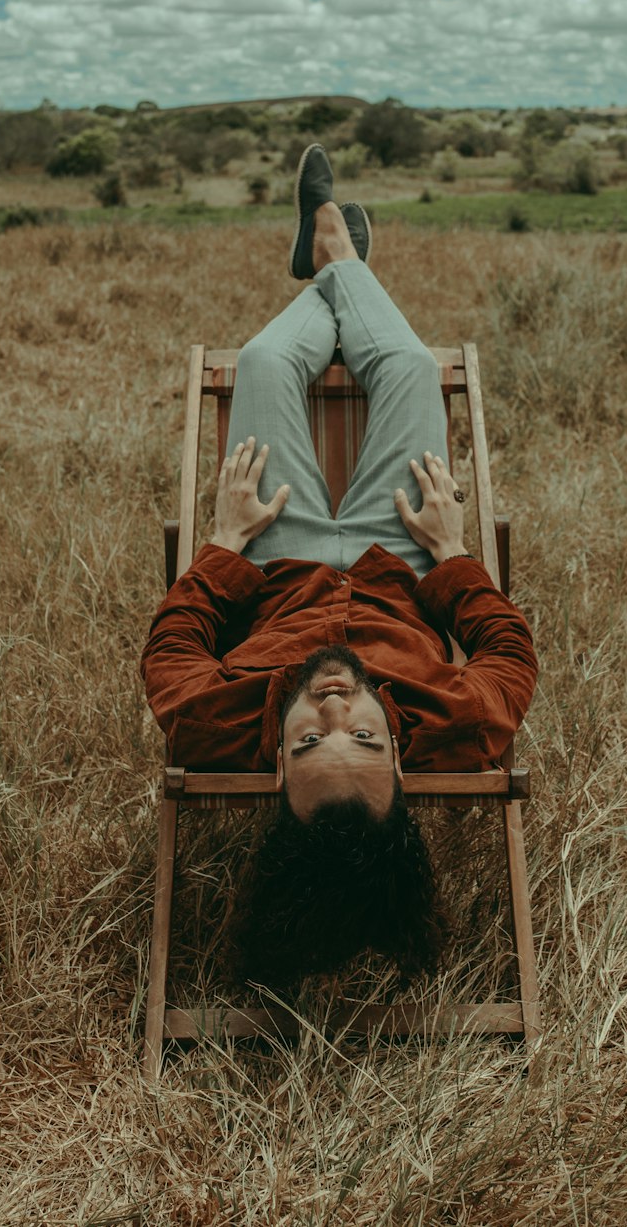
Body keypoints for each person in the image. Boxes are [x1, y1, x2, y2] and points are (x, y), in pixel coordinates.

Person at [142, 145, 538, 988]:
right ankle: (337, 254)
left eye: (306, 739)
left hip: (273, 553)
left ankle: (327, 253)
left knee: (263, 362)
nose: (333, 704)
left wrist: (223, 545)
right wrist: (453, 555)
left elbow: (171, 648)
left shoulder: (215, 725)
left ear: (276, 769)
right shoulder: (458, 727)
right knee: (407, 366)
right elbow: (509, 653)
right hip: (400, 552)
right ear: (398, 760)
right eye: (363, 733)